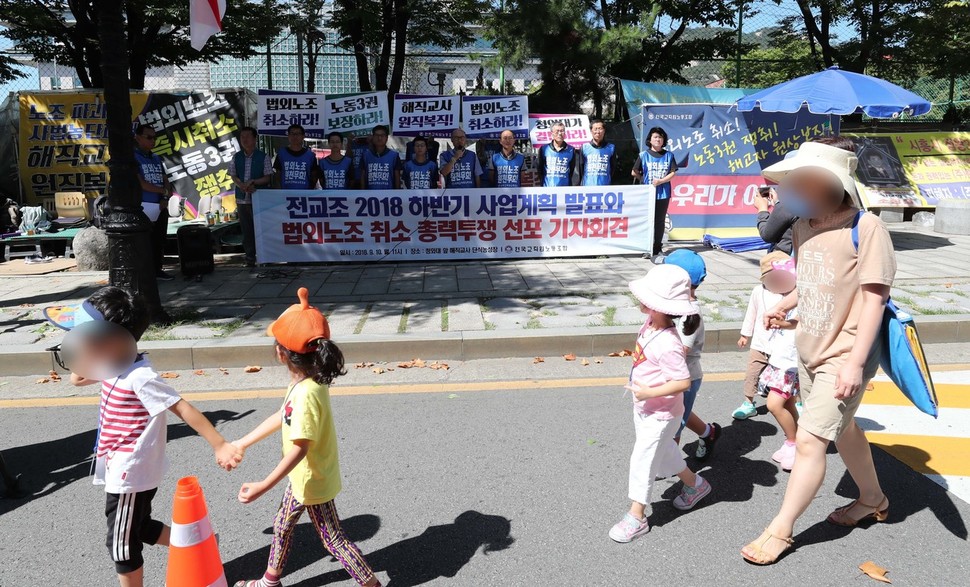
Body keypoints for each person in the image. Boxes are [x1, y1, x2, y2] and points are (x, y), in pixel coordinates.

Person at [740, 137, 896, 565]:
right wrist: (786, 305)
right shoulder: (804, 225)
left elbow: (873, 301)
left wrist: (854, 363)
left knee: (810, 441)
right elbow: (811, 282)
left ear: (831, 184)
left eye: (801, 181)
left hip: (845, 359)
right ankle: (872, 499)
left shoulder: (866, 229)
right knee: (843, 431)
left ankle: (780, 530)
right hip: (809, 352)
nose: (790, 190)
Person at [44, 286, 241, 587]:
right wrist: (81, 349)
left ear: (109, 340)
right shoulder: (112, 363)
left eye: (84, 335)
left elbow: (182, 407)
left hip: (131, 470)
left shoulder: (139, 376)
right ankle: (201, 542)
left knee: (121, 545)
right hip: (119, 465)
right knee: (140, 526)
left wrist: (220, 444)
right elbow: (76, 377)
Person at [232, 287, 381, 587]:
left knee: (334, 541)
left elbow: (299, 449)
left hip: (312, 480)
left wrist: (263, 485)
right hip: (302, 478)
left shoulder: (306, 394)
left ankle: (372, 585)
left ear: (281, 353)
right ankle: (270, 582)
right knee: (282, 527)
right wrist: (242, 442)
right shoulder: (307, 382)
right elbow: (281, 416)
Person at [609, 264, 713, 544]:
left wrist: (648, 392)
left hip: (662, 413)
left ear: (658, 306)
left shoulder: (669, 343)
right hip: (647, 408)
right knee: (664, 451)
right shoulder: (650, 324)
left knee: (643, 459)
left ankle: (637, 516)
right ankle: (696, 485)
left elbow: (683, 382)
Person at [663, 249, 721, 461]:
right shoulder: (673, 306)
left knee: (673, 425)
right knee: (680, 414)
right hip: (672, 377)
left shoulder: (689, 314)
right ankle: (709, 433)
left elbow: (680, 352)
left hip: (683, 378)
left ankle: (669, 462)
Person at [734, 251, 791, 420]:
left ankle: (797, 402)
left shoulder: (793, 295)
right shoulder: (758, 291)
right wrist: (745, 334)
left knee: (790, 376)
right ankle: (748, 403)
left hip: (783, 347)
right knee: (752, 373)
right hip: (760, 343)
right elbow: (751, 314)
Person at [756, 256, 801, 472]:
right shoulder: (781, 300)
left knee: (774, 404)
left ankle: (794, 443)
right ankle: (795, 440)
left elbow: (799, 322)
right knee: (788, 404)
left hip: (790, 364)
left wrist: (784, 323)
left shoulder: (801, 298)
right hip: (780, 362)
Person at [133, 124, 174, 281]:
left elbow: (165, 180)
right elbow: (141, 183)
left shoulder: (156, 158)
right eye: (149, 137)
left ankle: (157, 269)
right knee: (144, 241)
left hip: (160, 205)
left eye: (154, 137)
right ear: (137, 137)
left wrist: (165, 197)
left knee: (159, 240)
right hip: (143, 205)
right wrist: (163, 192)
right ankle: (145, 272)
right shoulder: (133, 157)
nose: (153, 140)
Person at [230, 126, 273, 268]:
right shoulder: (237, 157)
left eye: (248, 136)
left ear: (255, 139)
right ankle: (249, 258)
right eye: (242, 137)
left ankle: (265, 257)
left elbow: (267, 178)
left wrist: (254, 182)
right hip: (242, 199)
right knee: (247, 231)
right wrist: (241, 184)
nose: (245, 139)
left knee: (263, 229)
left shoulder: (263, 156)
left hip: (259, 198)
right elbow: (233, 176)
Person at [632, 127, 678, 262]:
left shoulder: (669, 155)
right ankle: (647, 248)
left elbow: (673, 172)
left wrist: (661, 181)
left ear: (663, 140)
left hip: (663, 193)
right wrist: (644, 181)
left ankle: (657, 247)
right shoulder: (643, 155)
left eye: (660, 137)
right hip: (648, 193)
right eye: (655, 137)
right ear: (650, 140)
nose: (658, 139)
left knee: (659, 221)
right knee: (647, 220)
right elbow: (634, 171)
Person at [274, 124, 319, 190]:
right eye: (292, 134)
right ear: (288, 136)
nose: (295, 136)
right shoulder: (281, 154)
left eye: (298, 134)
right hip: (285, 194)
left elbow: (314, 177)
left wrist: (309, 192)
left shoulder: (310, 155)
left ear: (303, 136)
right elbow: (277, 175)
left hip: (305, 194)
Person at [755, 186, 797, 255]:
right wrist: (777, 204)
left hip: (785, 259)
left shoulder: (787, 207)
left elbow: (767, 235)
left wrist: (762, 209)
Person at [359, 125, 401, 190]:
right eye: (376, 135)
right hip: (369, 196)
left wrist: (397, 194)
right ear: (373, 137)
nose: (379, 138)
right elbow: (363, 176)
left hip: (389, 196)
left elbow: (397, 177)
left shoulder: (394, 155)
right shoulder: (365, 155)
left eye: (382, 135)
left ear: (386, 138)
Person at [536, 122, 576, 187]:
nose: (560, 133)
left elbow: (572, 169)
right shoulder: (544, 149)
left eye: (562, 131)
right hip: (548, 187)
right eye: (557, 131)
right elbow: (540, 169)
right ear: (552, 133)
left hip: (565, 188)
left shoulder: (571, 150)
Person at [578, 119, 617, 186]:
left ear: (604, 131)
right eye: (595, 129)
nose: (598, 132)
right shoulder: (584, 147)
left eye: (600, 129)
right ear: (591, 131)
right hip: (587, 186)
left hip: (605, 186)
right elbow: (581, 168)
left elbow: (612, 167)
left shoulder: (611, 148)